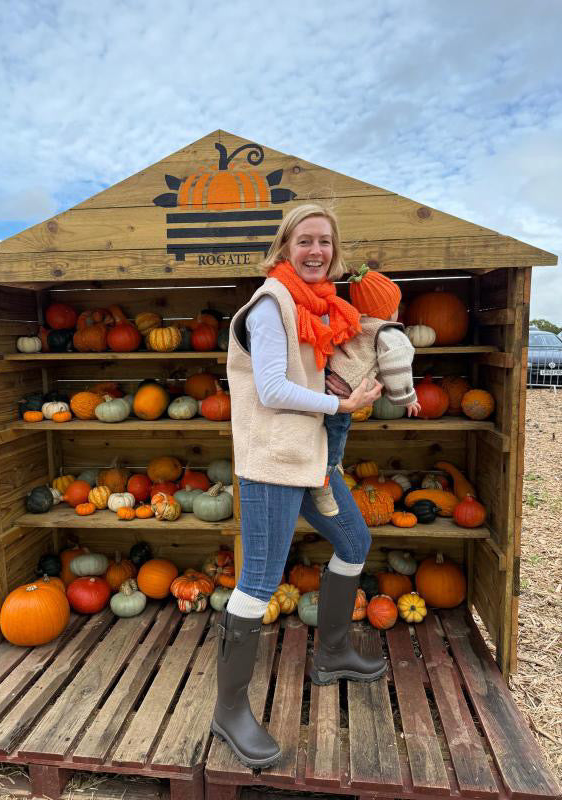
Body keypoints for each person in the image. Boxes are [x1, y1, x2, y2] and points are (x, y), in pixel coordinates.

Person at [213, 204, 386, 769]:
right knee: (260, 580)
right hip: (271, 463)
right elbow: (269, 389)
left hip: (311, 457)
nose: (316, 251)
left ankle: (332, 653)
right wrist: (343, 403)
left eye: (326, 243)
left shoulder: (322, 306)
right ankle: (229, 710)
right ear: (286, 246)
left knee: (354, 542)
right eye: (306, 241)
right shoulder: (270, 304)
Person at [309, 265, 421, 516]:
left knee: (325, 432)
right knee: (336, 436)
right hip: (343, 389)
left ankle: (330, 464)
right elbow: (397, 363)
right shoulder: (388, 331)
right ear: (391, 309)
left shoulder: (357, 322)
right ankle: (323, 484)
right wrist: (406, 396)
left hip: (324, 378)